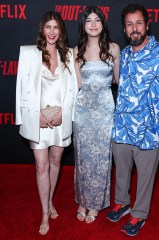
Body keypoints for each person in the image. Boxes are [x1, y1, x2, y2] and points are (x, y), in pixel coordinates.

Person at [106, 3, 159, 237]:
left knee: (146, 176)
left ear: (147, 25)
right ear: (125, 29)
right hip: (123, 126)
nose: (134, 28)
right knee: (122, 170)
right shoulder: (123, 56)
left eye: (139, 23)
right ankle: (122, 202)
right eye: (129, 24)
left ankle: (139, 214)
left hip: (150, 128)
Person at [15, 11, 78, 235]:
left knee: (55, 160)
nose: (52, 32)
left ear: (61, 31)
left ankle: (50, 200)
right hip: (37, 118)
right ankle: (44, 212)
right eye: (48, 27)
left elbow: (73, 90)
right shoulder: (29, 53)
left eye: (56, 28)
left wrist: (64, 112)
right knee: (41, 166)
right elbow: (21, 90)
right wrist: (31, 117)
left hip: (60, 118)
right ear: (42, 29)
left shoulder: (69, 55)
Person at [73, 6, 120, 223]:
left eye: (97, 20)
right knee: (82, 158)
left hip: (104, 113)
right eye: (89, 20)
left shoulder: (113, 49)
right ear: (83, 25)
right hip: (83, 113)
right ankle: (83, 200)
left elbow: (118, 81)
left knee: (102, 160)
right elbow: (78, 85)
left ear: (103, 23)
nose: (93, 24)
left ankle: (95, 204)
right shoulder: (76, 51)